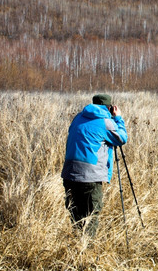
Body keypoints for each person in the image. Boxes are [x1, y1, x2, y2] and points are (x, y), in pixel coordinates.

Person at [61, 94, 128, 237]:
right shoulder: (106, 121)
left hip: (69, 173)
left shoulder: (78, 117)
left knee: (76, 212)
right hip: (90, 176)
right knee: (91, 213)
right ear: (110, 108)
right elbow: (122, 138)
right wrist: (118, 118)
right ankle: (86, 249)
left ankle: (76, 243)